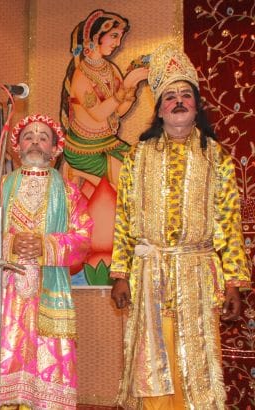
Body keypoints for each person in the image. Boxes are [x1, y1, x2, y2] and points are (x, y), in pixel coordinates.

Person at [109, 42, 251, 409]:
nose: (178, 102)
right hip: (149, 276)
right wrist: (120, 274)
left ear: (197, 105)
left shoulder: (215, 156)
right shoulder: (137, 156)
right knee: (152, 365)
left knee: (197, 365)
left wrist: (234, 282)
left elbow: (228, 222)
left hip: (197, 275)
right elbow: (124, 216)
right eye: (169, 96)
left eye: (185, 95)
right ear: (159, 109)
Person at [0, 114, 93, 408]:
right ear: (17, 147)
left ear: (55, 149)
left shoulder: (69, 192)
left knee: (45, 366)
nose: (35, 142)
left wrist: (45, 245)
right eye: (28, 136)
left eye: (43, 138)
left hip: (48, 293)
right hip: (3, 293)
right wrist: (9, 244)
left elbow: (83, 239)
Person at [60, 9, 148, 187]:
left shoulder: (111, 69)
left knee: (143, 169)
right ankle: (77, 171)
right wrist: (125, 86)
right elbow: (99, 114)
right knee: (128, 182)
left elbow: (118, 112)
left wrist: (132, 87)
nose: (117, 43)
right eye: (114, 36)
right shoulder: (81, 75)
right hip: (83, 150)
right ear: (95, 37)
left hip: (108, 142)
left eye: (120, 37)